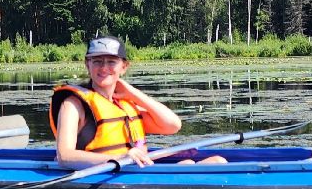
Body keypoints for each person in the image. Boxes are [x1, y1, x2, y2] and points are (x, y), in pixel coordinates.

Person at [51, 35, 225, 169]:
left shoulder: (125, 104)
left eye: (111, 62)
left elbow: (173, 125)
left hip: (137, 172)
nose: (104, 68)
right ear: (87, 64)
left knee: (215, 161)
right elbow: (64, 156)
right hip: (106, 176)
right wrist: (122, 157)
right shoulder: (73, 105)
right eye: (97, 61)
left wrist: (133, 93)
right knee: (195, 164)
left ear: (124, 67)